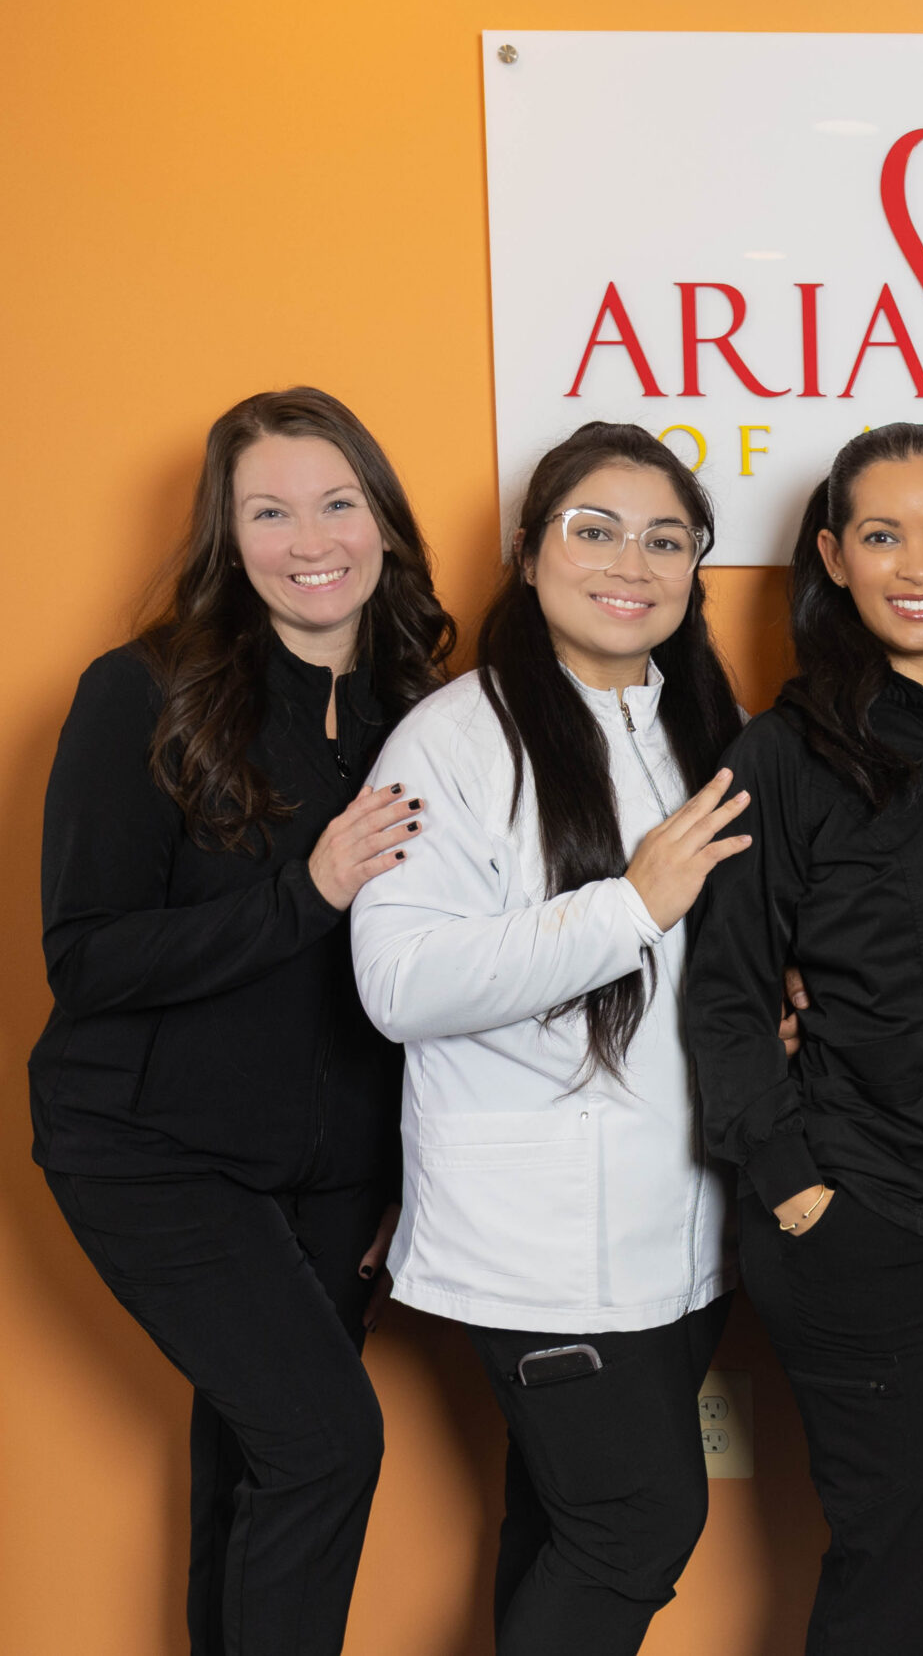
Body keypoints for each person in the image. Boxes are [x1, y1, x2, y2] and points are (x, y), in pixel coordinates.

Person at [31, 387, 453, 1655]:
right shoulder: (143, 691)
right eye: (268, 512)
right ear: (227, 536)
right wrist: (305, 892)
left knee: (255, 1466)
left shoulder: (425, 711)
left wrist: (402, 1170)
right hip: (151, 1151)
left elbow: (433, 975)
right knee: (326, 1445)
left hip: (333, 1171)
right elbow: (86, 957)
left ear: (384, 522)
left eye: (337, 504)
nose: (309, 540)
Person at [350, 422, 746, 1656]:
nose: (632, 562)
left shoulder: (706, 724)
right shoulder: (453, 739)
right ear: (528, 554)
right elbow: (399, 982)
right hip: (540, 1244)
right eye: (595, 530)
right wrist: (629, 907)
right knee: (636, 1525)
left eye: (666, 539)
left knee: (561, 1530)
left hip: (684, 1232)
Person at [687, 423, 923, 1656]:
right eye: (882, 535)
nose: (918, 565)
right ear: (833, 557)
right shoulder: (785, 752)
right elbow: (727, 993)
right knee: (890, 1574)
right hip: (864, 1212)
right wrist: (795, 1188)